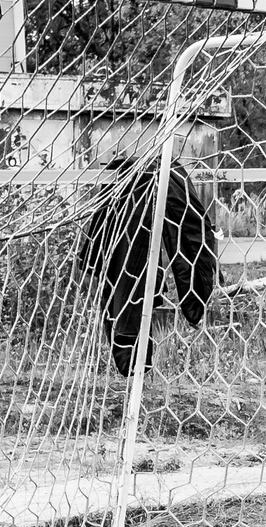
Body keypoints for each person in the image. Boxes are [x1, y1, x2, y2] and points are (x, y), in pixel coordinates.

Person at [81, 157, 216, 375]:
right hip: (128, 277)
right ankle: (131, 347)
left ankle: (133, 348)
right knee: (128, 272)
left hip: (131, 281)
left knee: (131, 275)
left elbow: (189, 235)